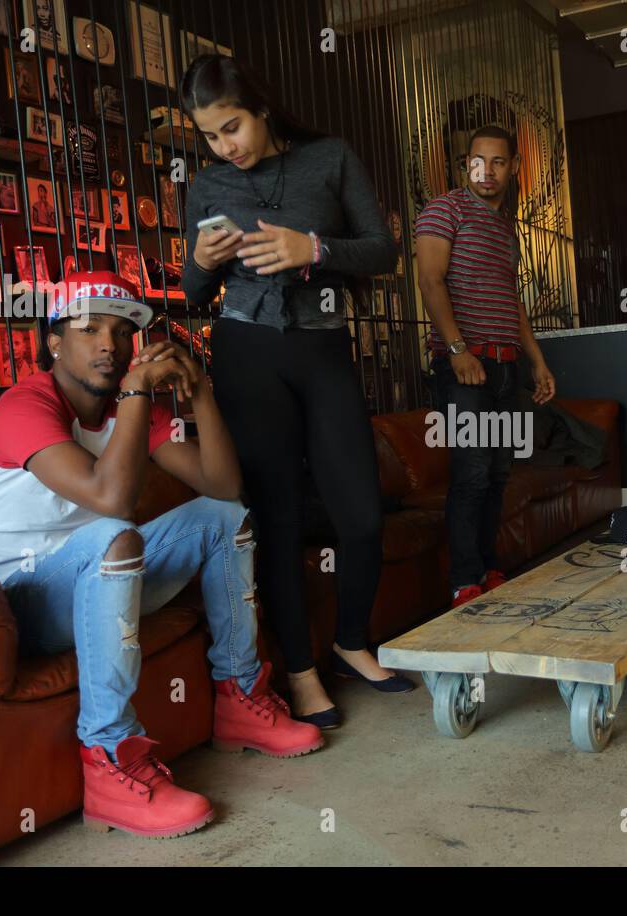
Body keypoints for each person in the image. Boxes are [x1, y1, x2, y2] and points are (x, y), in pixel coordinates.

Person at [0, 270, 322, 839]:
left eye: (123, 331)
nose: (111, 343)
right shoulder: (22, 406)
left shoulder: (129, 407)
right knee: (114, 531)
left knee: (224, 520)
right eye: (90, 329)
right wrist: (136, 391)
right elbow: (112, 498)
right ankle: (108, 761)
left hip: (97, 580)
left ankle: (240, 697)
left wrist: (199, 388)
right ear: (54, 342)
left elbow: (223, 486)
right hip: (16, 606)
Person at [180, 54, 411, 729]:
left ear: (261, 109)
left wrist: (313, 249)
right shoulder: (208, 186)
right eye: (212, 137)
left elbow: (382, 251)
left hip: (324, 347)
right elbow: (198, 297)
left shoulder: (329, 158)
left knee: (361, 513)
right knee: (275, 519)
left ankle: (349, 643)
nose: (226, 147)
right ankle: (304, 674)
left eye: (233, 128)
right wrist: (199, 264)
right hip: (246, 353)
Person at [414, 124, 556, 607]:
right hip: (464, 369)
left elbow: (510, 302)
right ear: (465, 165)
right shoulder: (445, 209)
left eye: (498, 161)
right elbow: (431, 282)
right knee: (472, 475)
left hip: (505, 368)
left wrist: (536, 362)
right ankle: (464, 581)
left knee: (497, 475)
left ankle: (489, 570)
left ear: (514, 167)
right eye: (478, 160)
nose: (487, 170)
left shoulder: (504, 227)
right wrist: (459, 352)